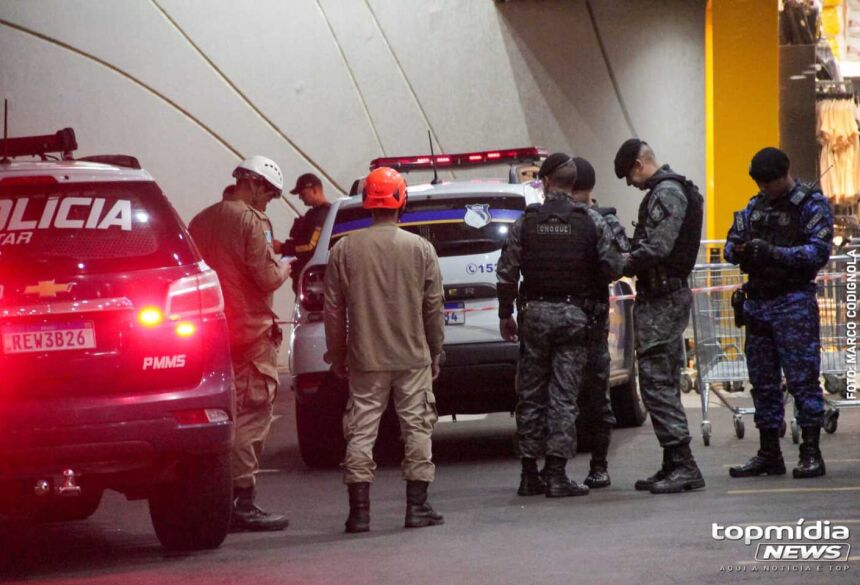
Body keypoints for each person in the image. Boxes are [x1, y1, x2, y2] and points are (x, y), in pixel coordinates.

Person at [323, 166, 445, 533]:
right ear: (400, 200)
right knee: (417, 427)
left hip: (365, 358)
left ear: (366, 202)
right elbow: (433, 306)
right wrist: (435, 350)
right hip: (412, 357)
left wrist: (338, 354)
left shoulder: (343, 249)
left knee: (361, 430)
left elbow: (333, 310)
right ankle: (416, 508)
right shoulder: (421, 249)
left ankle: (359, 514)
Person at [497, 153, 624, 498]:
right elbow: (613, 266)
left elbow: (507, 270)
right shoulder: (590, 221)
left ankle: (528, 474)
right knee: (564, 397)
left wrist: (504, 313)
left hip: (534, 316)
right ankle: (556, 474)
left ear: (545, 181)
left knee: (531, 395)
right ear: (572, 183)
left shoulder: (527, 221)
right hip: (573, 317)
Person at [188, 155, 290, 531]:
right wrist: (285, 269)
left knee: (217, 416)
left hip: (211, 336)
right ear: (255, 184)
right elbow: (264, 278)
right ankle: (241, 501)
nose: (269, 203)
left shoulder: (199, 220)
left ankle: (212, 498)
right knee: (252, 415)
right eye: (270, 195)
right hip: (250, 334)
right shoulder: (253, 220)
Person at [724, 147, 832, 479]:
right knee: (763, 383)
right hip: (758, 305)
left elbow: (818, 251)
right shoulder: (755, 207)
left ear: (784, 175)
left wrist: (774, 253)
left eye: (769, 183)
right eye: (760, 184)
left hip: (793, 302)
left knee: (803, 381)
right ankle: (769, 453)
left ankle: (811, 452)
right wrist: (741, 249)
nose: (764, 190)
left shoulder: (810, 204)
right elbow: (731, 245)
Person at [613, 138, 705, 494]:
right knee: (659, 382)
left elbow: (658, 246)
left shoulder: (667, 192)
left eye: (628, 175)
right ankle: (673, 462)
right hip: (660, 296)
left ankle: (684, 465)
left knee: (655, 383)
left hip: (664, 299)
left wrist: (621, 263)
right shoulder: (665, 191)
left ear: (639, 164)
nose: (629, 183)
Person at [569, 156, 630, 489]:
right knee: (596, 394)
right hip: (593, 320)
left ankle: (551, 470)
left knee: (559, 395)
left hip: (556, 322)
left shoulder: (550, 220)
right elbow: (622, 261)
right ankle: (599, 466)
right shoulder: (603, 220)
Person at [282, 172, 331, 294]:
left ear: (314, 190)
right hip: (305, 279)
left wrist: (283, 248)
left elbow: (311, 246)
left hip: (313, 283)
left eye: (302, 193)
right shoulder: (313, 214)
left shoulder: (323, 215)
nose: (300, 197)